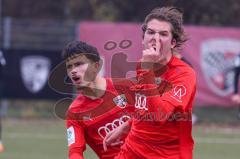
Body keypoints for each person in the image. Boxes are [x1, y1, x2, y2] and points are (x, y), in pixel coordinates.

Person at [103, 6, 196, 159]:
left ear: (173, 43)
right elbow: (144, 107)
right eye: (151, 32)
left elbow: (160, 116)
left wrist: (147, 71)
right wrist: (127, 126)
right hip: (131, 150)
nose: (155, 38)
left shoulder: (184, 74)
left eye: (163, 34)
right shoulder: (143, 64)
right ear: (143, 38)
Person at [63, 41, 136, 159]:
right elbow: (75, 151)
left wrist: (128, 125)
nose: (73, 71)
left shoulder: (126, 87)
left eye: (78, 64)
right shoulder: (74, 113)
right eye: (69, 67)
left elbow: (151, 117)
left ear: (96, 66)